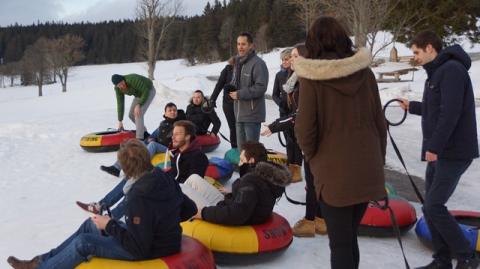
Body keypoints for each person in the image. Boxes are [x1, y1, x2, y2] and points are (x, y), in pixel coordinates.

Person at [7, 139, 197, 269]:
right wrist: (162, 220)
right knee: (91, 224)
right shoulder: (162, 177)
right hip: (158, 238)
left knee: (84, 243)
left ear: (125, 167)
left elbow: (139, 247)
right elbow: (189, 209)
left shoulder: (137, 196)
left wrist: (109, 225)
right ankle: (39, 262)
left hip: (154, 248)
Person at [293, 16, 387, 269]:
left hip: (334, 172)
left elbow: (304, 129)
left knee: (341, 243)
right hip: (367, 167)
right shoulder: (365, 74)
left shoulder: (312, 78)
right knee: (348, 238)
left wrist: (313, 158)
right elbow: (380, 123)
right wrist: (379, 160)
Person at [399, 31, 479, 269]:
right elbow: (437, 107)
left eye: (416, 52)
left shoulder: (452, 70)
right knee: (430, 207)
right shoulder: (438, 72)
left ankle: (467, 257)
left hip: (453, 152)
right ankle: (442, 260)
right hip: (442, 151)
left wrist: (435, 146)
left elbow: (450, 113)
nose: (415, 57)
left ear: (430, 48)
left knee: (434, 205)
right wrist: (412, 106)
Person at [262, 43, 326, 237]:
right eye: (290, 57)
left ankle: (311, 222)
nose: (291, 60)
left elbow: (299, 115)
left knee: (316, 183)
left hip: (317, 140)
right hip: (312, 138)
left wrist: (274, 127)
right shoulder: (300, 80)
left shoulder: (309, 82)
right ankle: (319, 220)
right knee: (315, 182)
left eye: (296, 56)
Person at [186, 141, 291, 225]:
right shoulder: (262, 174)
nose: (239, 163)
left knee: (182, 188)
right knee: (193, 178)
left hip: (226, 212)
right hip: (231, 202)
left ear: (251, 161)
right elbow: (251, 196)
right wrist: (234, 191)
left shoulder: (251, 181)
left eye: (241, 159)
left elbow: (236, 214)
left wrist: (203, 213)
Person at [99, 102, 185, 178]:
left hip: (170, 149)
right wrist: (150, 139)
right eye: (170, 110)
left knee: (153, 145)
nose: (173, 112)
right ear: (165, 113)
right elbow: (157, 136)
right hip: (160, 145)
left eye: (174, 110)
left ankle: (140, 167)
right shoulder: (163, 124)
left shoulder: (178, 124)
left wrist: (154, 142)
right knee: (136, 144)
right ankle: (116, 167)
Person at [228, 32, 269, 149]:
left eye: (243, 44)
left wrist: (240, 94)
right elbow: (237, 85)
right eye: (238, 44)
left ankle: (254, 168)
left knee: (251, 151)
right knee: (242, 151)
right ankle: (244, 168)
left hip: (252, 115)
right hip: (239, 114)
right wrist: (230, 92)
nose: (240, 47)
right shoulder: (238, 63)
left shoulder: (258, 64)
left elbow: (261, 87)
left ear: (251, 45)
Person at [111, 73, 156, 140]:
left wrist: (139, 104)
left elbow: (145, 91)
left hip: (148, 90)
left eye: (122, 82)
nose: (121, 85)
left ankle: (140, 138)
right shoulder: (118, 89)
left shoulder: (132, 79)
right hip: (138, 95)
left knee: (138, 113)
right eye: (119, 85)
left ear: (123, 79)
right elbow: (120, 103)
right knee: (131, 115)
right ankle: (144, 132)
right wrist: (120, 120)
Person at [210, 57, 237, 148]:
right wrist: (212, 99)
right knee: (233, 128)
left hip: (242, 102)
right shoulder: (227, 69)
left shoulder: (247, 69)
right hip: (228, 103)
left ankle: (245, 151)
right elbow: (219, 85)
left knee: (242, 128)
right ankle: (234, 150)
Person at [272, 48, 292, 117]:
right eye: (282, 60)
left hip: (295, 112)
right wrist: (281, 103)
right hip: (283, 111)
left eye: (286, 59)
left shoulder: (297, 74)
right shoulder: (279, 75)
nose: (283, 62)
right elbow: (274, 95)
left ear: (292, 59)